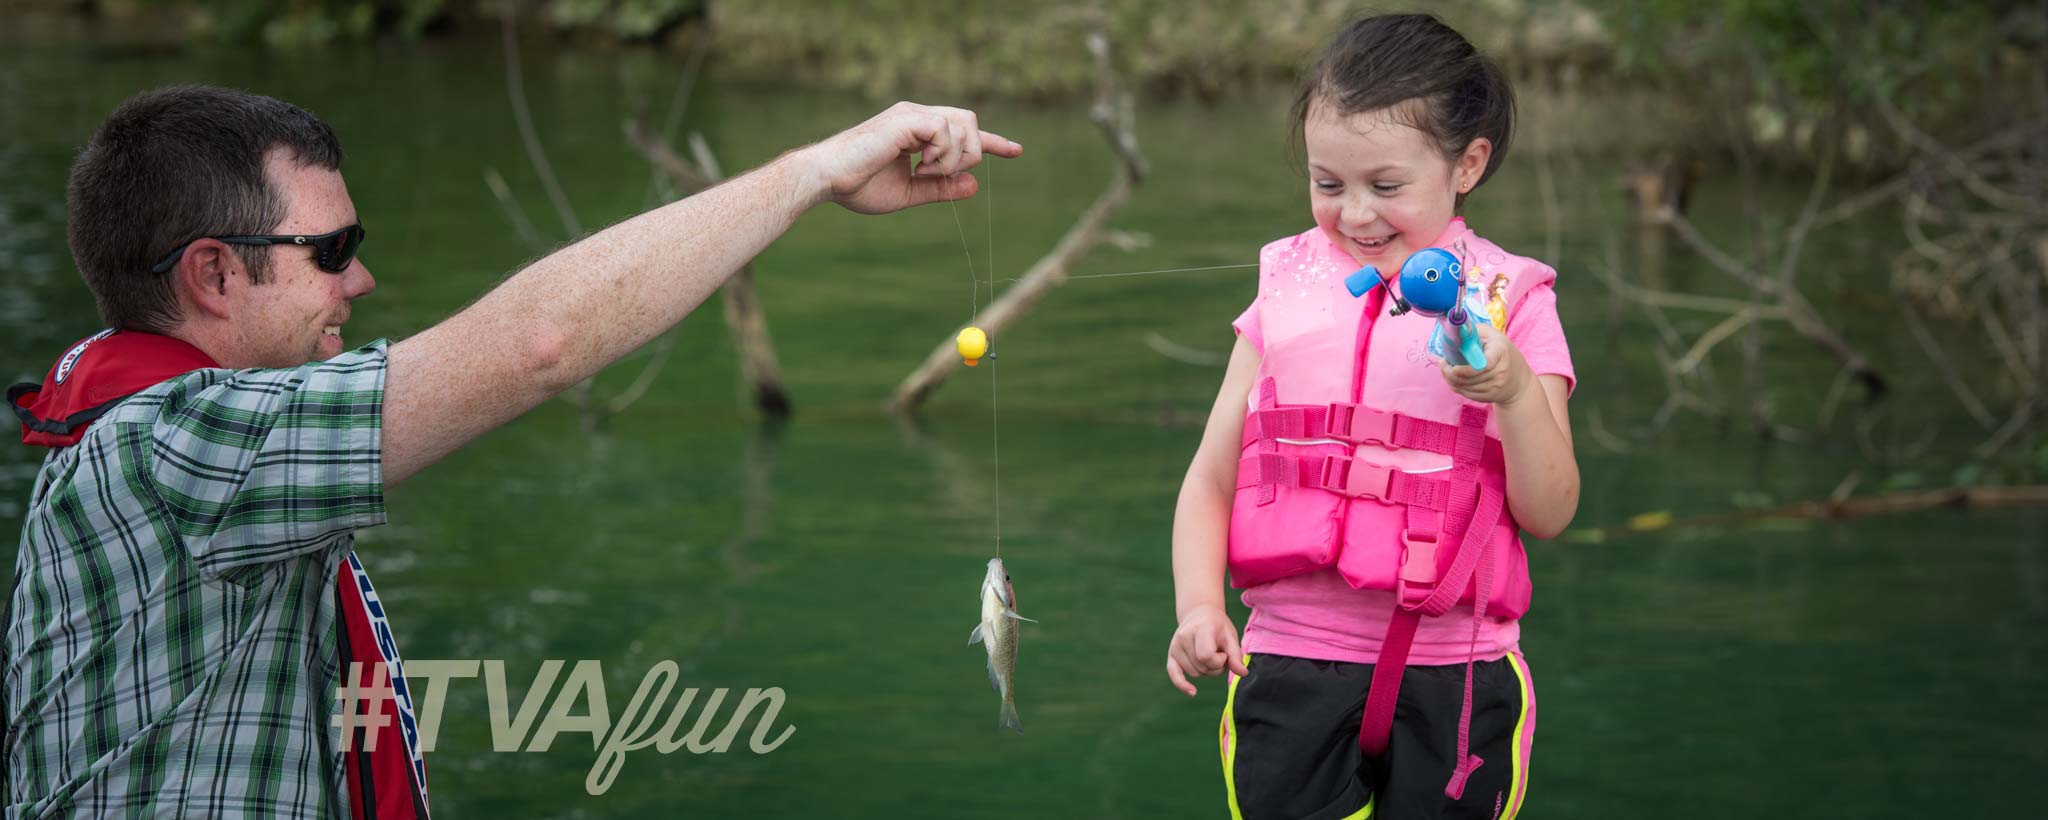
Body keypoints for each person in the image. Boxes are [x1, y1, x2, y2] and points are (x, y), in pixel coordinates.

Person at [2, 84, 1019, 818]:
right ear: (214, 276)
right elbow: (543, 344)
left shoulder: (211, 454)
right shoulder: (174, 449)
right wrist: (816, 171)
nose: (359, 284)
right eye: (333, 253)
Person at [1164, 15, 1578, 820]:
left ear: (1468, 164)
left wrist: (1517, 392)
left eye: (1386, 187)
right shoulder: (1282, 291)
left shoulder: (1512, 306)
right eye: (1328, 184)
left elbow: (1552, 511)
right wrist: (1198, 607)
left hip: (1460, 675)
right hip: (1289, 665)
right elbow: (1212, 477)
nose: (1356, 215)